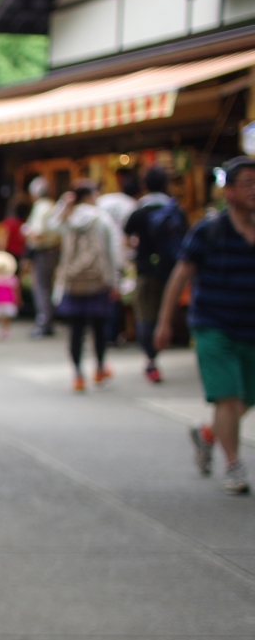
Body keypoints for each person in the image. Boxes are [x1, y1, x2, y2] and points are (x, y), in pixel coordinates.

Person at [154, 155, 255, 495]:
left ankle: (208, 434)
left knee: (248, 396)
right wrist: (164, 322)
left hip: (251, 327)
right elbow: (180, 275)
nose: (254, 190)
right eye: (247, 184)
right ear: (228, 191)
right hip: (213, 324)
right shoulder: (209, 230)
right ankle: (233, 465)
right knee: (227, 396)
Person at [50, 181, 121, 391]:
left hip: (73, 281)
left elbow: (50, 227)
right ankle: (99, 369)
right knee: (99, 328)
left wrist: (64, 205)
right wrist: (114, 281)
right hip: (98, 281)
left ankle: (78, 375)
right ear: (91, 196)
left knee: (76, 330)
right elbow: (112, 251)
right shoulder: (102, 219)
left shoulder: (68, 218)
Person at [125, 166, 187, 383]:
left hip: (144, 270)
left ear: (144, 186)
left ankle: (151, 360)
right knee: (164, 313)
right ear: (165, 185)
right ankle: (158, 351)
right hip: (170, 273)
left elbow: (126, 239)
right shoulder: (175, 210)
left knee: (144, 316)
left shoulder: (139, 212)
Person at [97, 167, 140, 346]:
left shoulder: (104, 200)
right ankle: (114, 332)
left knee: (104, 293)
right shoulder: (132, 206)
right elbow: (131, 237)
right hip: (120, 255)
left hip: (99, 254)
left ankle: (104, 332)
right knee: (117, 294)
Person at [22, 176, 62, 337]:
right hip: (53, 252)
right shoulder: (53, 206)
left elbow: (37, 234)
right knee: (48, 287)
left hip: (43, 252)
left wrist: (25, 231)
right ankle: (48, 321)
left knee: (41, 288)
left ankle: (44, 323)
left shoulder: (40, 208)